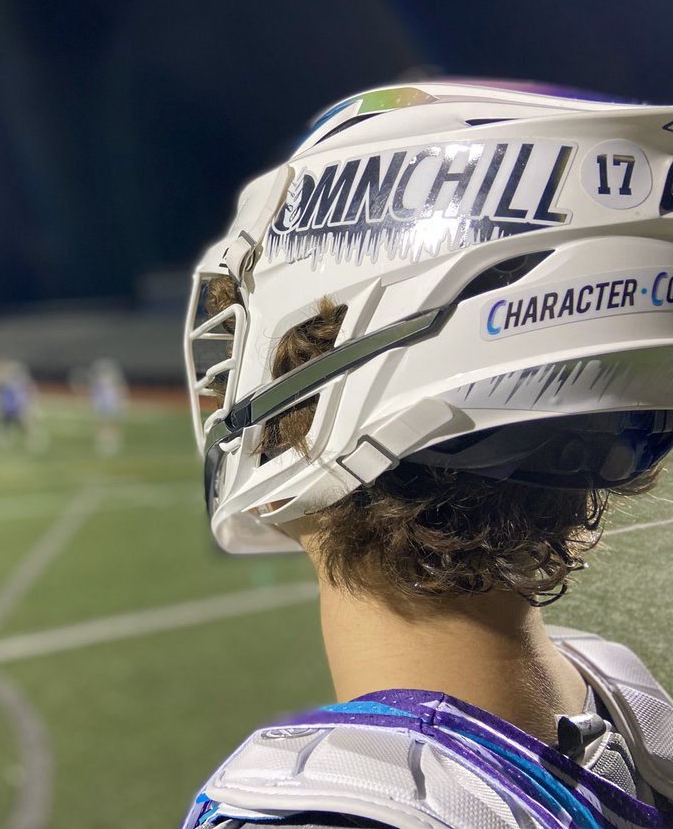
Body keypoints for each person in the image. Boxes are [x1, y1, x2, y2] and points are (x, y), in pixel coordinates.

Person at [182, 81, 673, 828]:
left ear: (352, 385)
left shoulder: (351, 809)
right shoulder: (628, 713)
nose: (225, 381)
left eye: (248, 331)